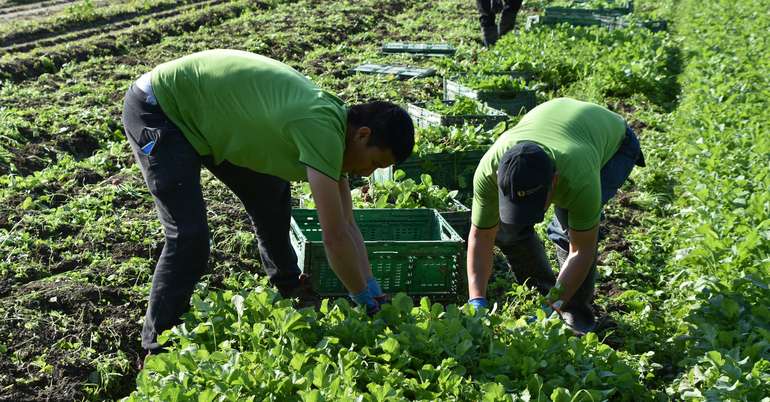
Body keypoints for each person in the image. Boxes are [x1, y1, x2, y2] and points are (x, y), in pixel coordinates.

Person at [121, 49, 415, 355]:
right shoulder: (321, 128)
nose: (367, 173)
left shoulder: (339, 128)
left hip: (210, 114)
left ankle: (290, 287)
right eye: (374, 163)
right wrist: (363, 300)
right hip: (161, 108)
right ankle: (156, 348)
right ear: (363, 135)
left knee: (271, 196)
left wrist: (373, 288)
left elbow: (347, 224)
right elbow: (334, 236)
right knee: (189, 237)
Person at [466, 98, 645, 334]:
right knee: (506, 231)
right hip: (559, 124)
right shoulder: (488, 170)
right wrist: (476, 300)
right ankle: (545, 293)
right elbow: (481, 237)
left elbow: (581, 250)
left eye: (536, 202)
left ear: (554, 181)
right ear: (499, 177)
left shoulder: (579, 177)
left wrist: (554, 306)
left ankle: (573, 312)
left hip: (615, 144)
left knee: (566, 230)